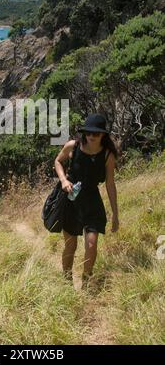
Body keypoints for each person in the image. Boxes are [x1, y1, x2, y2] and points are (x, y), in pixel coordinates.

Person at [54, 113, 119, 287]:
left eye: (96, 133)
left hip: (92, 201)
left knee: (91, 244)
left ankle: (86, 281)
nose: (91, 136)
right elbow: (58, 162)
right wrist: (64, 180)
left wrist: (115, 213)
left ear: (103, 135)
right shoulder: (73, 146)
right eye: (88, 132)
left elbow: (110, 184)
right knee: (71, 245)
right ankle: (66, 279)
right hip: (71, 199)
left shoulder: (107, 156)